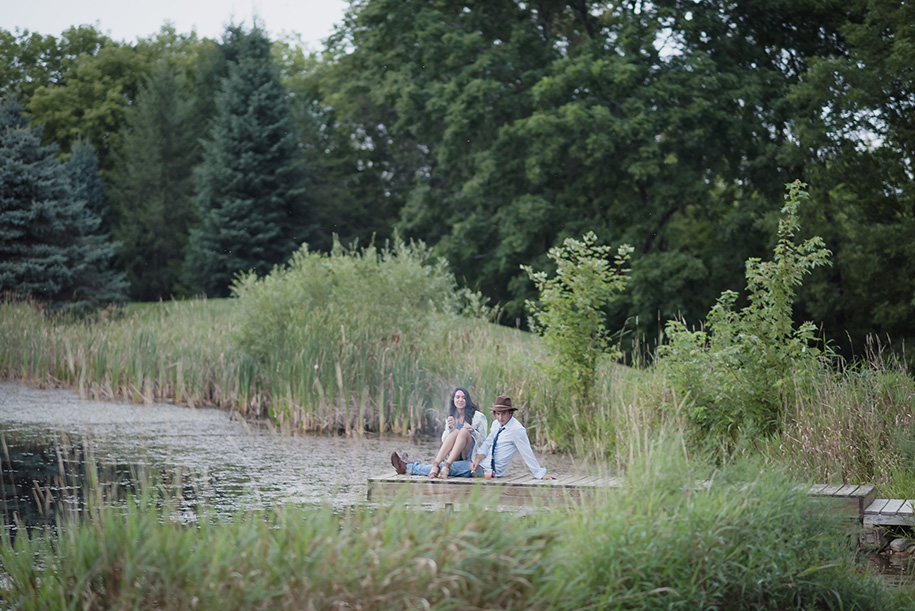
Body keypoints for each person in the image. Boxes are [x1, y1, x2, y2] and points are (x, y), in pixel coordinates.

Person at [390, 387, 489, 478]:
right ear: (453, 400)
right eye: (457, 397)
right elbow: (445, 441)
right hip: (454, 458)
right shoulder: (452, 417)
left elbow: (484, 443)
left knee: (463, 431)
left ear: (467, 400)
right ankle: (434, 464)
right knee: (455, 432)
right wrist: (450, 429)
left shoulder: (478, 417)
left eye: (463, 397)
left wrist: (473, 432)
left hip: (471, 463)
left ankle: (409, 467)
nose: (460, 400)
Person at [470, 395, 556, 480]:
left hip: (491, 470)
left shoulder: (517, 430)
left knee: (456, 467)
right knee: (459, 463)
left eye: (504, 414)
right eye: (498, 414)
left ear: (510, 413)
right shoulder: (496, 424)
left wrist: (539, 473)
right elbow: (487, 444)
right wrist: (477, 460)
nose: (500, 418)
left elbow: (527, 452)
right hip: (481, 465)